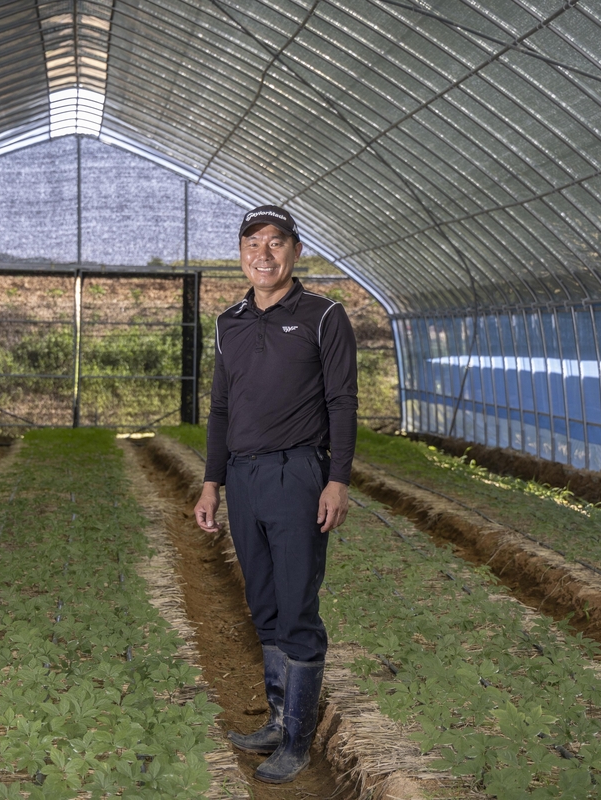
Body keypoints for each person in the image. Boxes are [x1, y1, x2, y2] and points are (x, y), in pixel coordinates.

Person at [194, 204, 358, 784]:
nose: (263, 254)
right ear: (240, 252)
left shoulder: (323, 316)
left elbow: (342, 402)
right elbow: (219, 410)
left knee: (296, 607)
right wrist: (212, 482)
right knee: (263, 601)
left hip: (298, 475)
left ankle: (297, 741)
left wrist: (337, 478)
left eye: (276, 243)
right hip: (242, 476)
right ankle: (276, 716)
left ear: (295, 251)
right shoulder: (228, 322)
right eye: (253, 242)